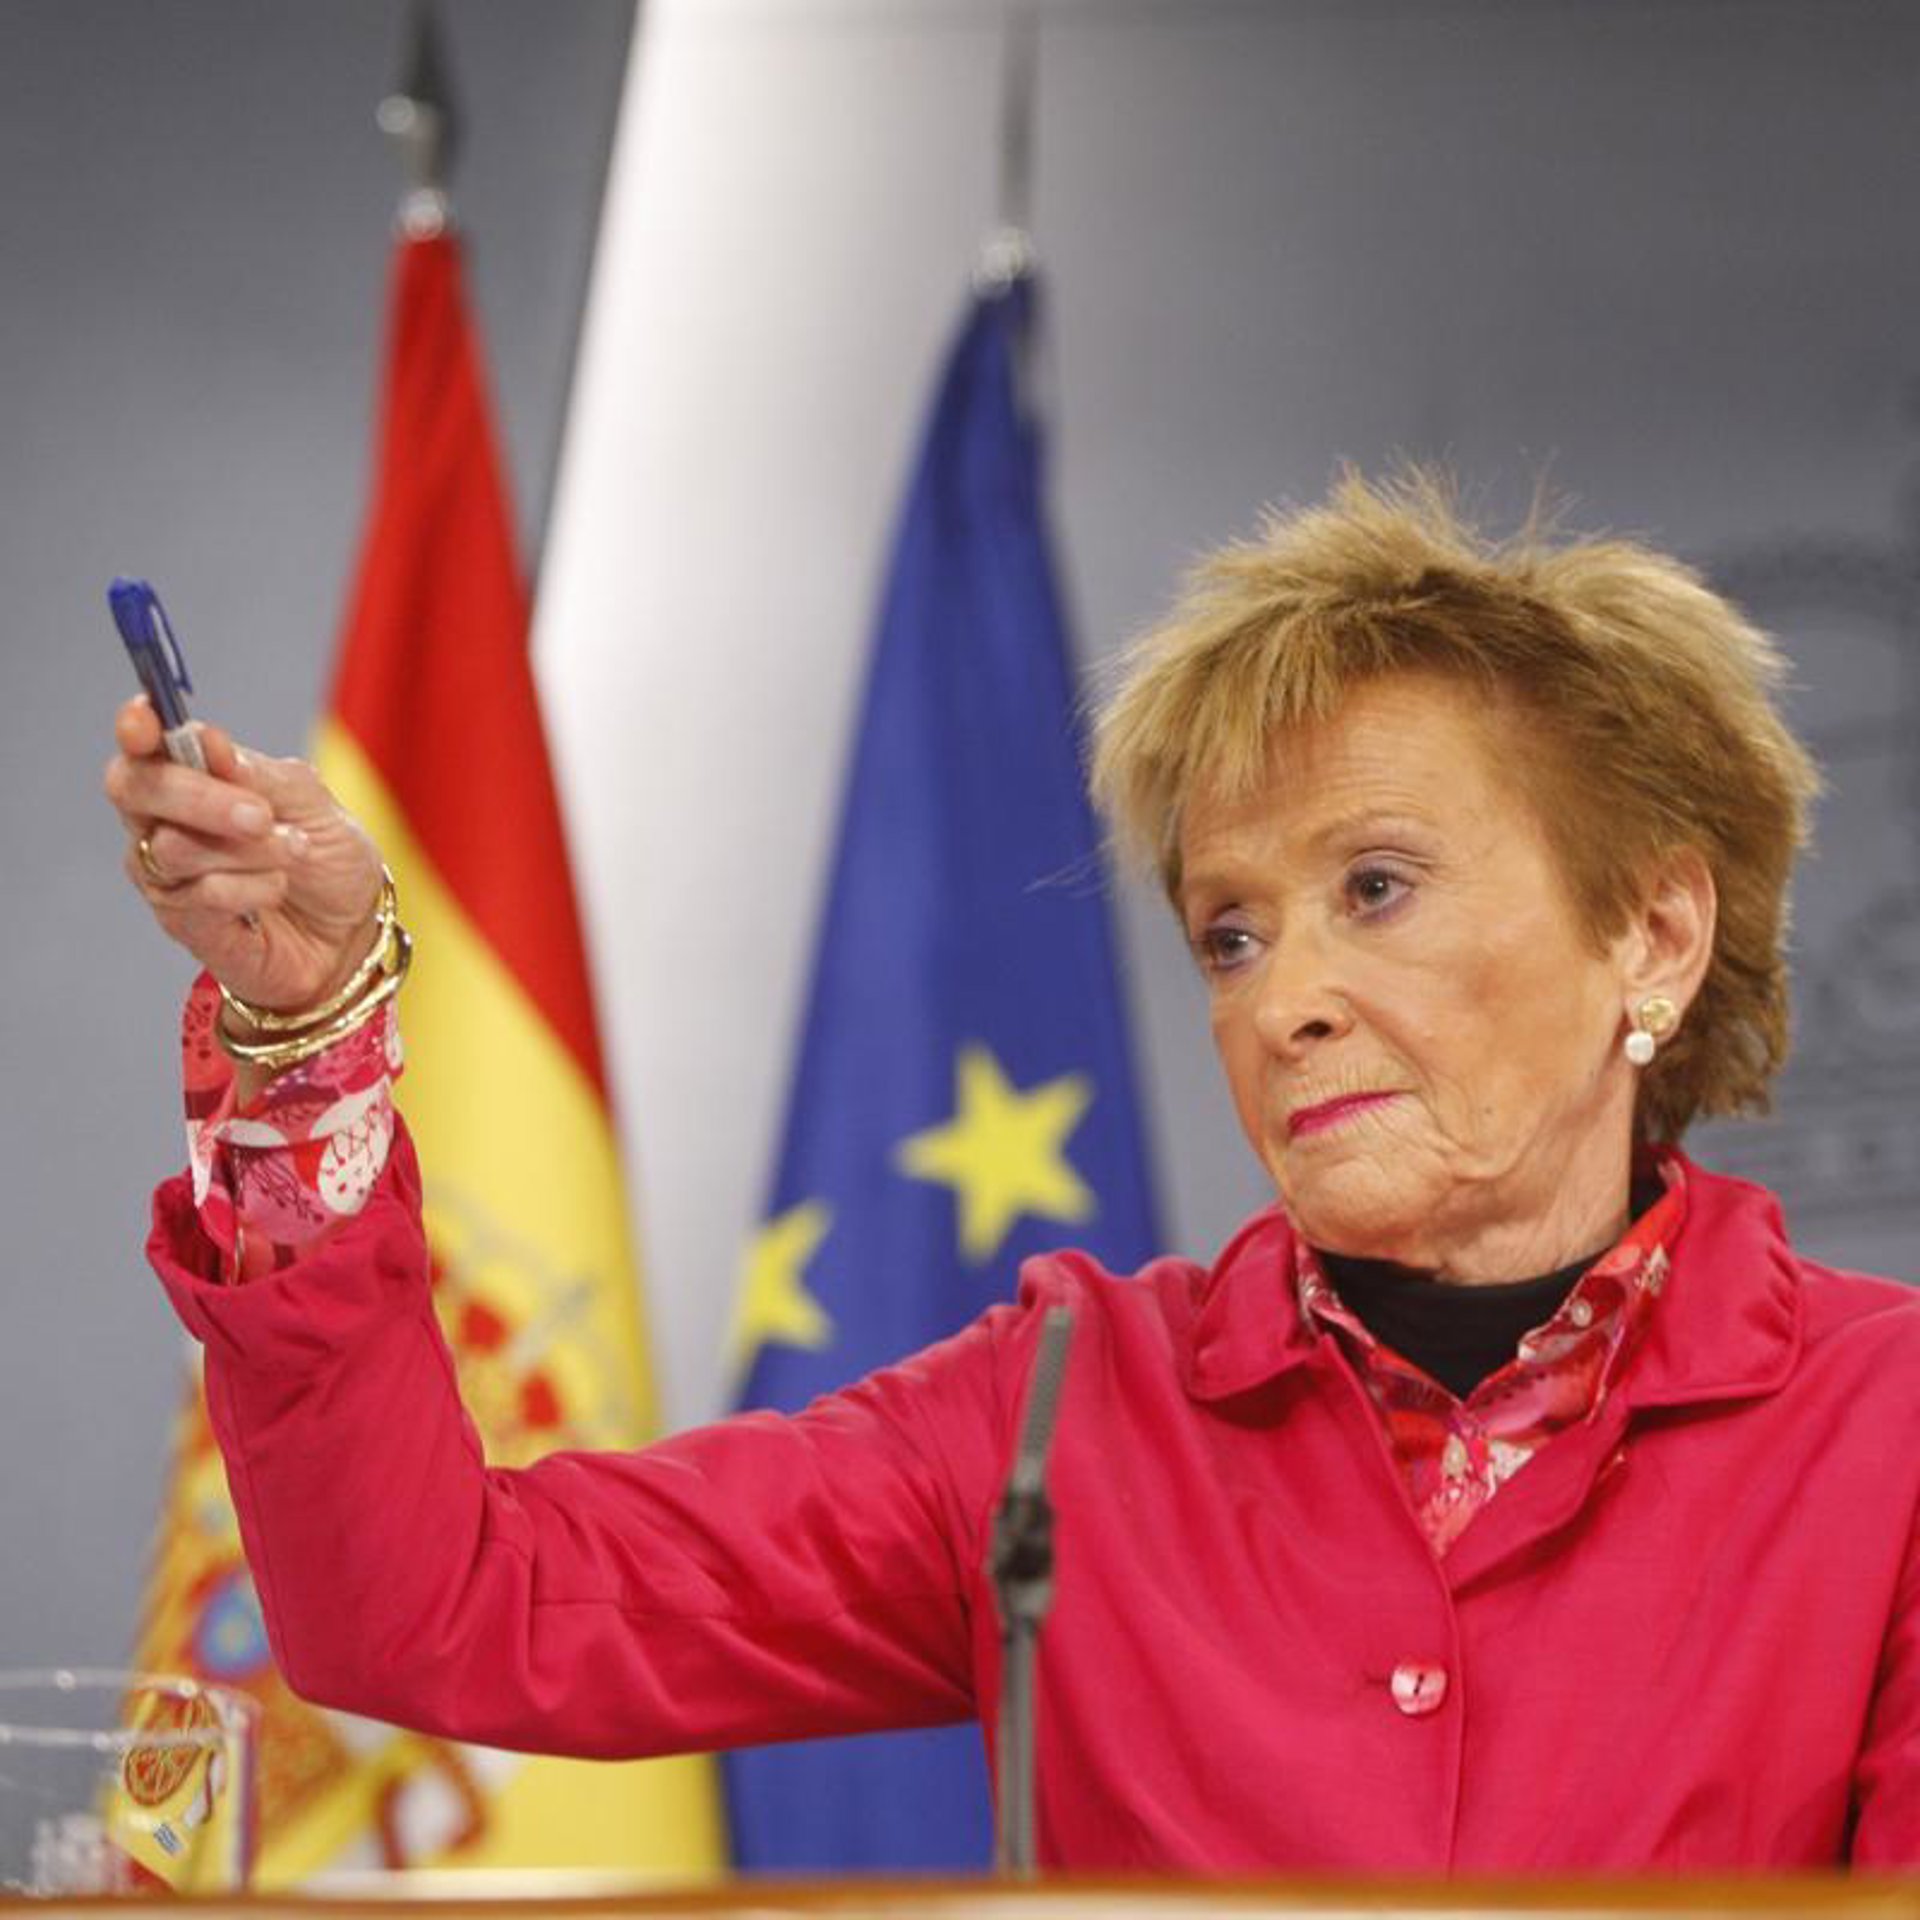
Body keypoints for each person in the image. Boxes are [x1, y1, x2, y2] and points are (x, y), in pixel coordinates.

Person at [108, 471, 1920, 1869]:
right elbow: (435, 1609)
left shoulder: (1889, 1430)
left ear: (1652, 936)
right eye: (1229, 935)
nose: (1282, 1002)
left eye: (1375, 888)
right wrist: (310, 1036)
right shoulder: (1059, 1410)